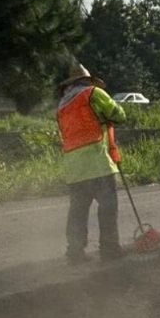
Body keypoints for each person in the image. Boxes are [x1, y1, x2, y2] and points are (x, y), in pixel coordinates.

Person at [57, 63, 127, 264]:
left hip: (74, 167)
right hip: (97, 162)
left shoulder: (62, 105)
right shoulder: (93, 93)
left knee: (78, 212)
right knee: (107, 207)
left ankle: (75, 253)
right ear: (87, 81)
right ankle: (110, 250)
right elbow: (119, 115)